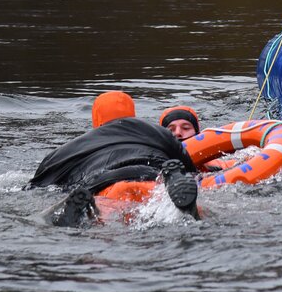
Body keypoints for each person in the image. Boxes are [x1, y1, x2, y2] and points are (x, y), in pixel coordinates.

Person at [29, 90, 199, 225]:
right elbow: (190, 170)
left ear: (96, 117)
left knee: (107, 224)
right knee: (178, 213)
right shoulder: (159, 132)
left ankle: (81, 215)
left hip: (105, 186)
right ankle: (187, 208)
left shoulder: (67, 150)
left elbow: (36, 187)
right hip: (152, 181)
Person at [159, 104, 282, 144]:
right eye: (171, 129)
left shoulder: (216, 160)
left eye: (186, 127)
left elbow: (270, 161)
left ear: (198, 133)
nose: (178, 133)